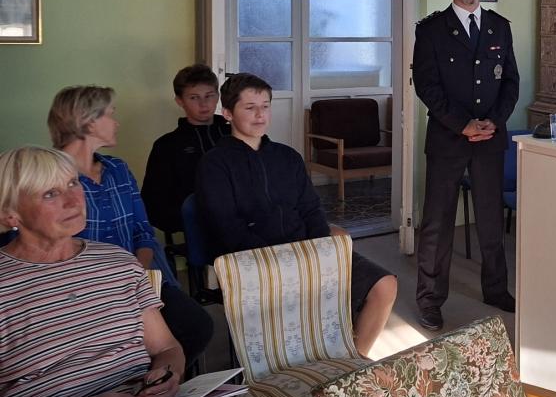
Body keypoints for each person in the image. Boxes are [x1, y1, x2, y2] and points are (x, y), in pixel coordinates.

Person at [0, 145, 231, 397]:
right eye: (50, 193)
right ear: (9, 213)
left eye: (73, 183)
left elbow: (166, 348)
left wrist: (167, 376)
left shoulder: (117, 262)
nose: (73, 199)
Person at [195, 73, 396, 357]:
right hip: (256, 260)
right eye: (250, 107)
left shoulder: (287, 157)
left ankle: (353, 364)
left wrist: (320, 251)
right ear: (227, 113)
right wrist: (286, 260)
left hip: (303, 251)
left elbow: (311, 210)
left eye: (265, 106)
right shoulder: (215, 164)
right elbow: (227, 228)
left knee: (384, 285)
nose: (260, 115)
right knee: (301, 312)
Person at [47, 86, 213, 370]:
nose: (117, 123)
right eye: (111, 115)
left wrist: (135, 274)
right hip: (83, 291)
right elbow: (44, 247)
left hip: (136, 278)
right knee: (121, 345)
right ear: (89, 122)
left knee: (196, 325)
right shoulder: (49, 177)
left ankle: (158, 383)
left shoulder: (118, 169)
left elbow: (143, 231)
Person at [411, 0, 519, 332]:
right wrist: (463, 124)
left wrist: (495, 121)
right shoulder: (431, 30)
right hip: (448, 138)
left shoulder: (499, 27)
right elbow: (426, 86)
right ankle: (429, 300)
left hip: (490, 138)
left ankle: (496, 290)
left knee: (490, 220)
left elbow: (511, 82)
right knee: (437, 222)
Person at [141, 64, 230, 243]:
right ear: (180, 101)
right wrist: (190, 219)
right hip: (197, 227)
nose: (203, 104)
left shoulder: (234, 136)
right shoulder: (167, 146)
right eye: (194, 97)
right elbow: (153, 205)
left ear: (218, 96)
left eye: (209, 96)